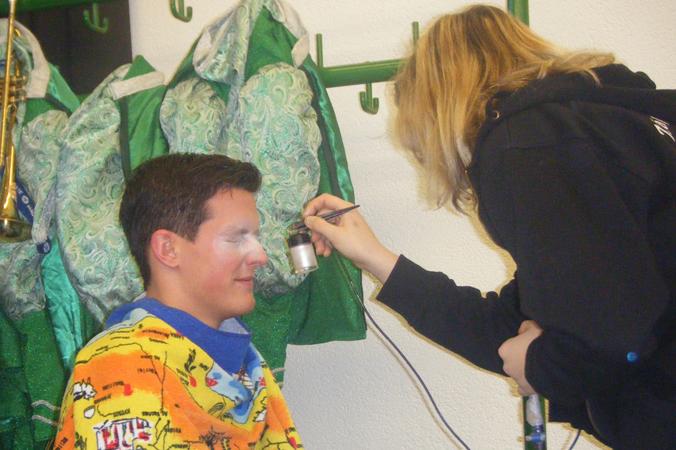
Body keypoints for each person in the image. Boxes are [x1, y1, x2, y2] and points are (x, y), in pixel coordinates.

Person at [302, 5, 675, 449]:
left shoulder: (528, 144)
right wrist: (377, 259)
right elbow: (515, 322)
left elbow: (608, 338)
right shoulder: (610, 130)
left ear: (437, 106)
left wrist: (538, 364)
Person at [53, 154, 302, 450]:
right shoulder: (121, 366)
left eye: (255, 238)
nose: (260, 256)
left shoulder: (249, 365)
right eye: (236, 239)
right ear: (168, 249)